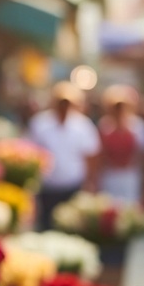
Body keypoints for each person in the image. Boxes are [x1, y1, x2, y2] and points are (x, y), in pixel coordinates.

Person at [27, 82, 101, 230]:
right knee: (46, 227)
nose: (64, 106)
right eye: (61, 102)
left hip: (73, 186)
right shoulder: (40, 123)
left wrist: (91, 184)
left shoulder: (83, 125)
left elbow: (91, 156)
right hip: (47, 188)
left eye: (67, 102)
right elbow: (31, 153)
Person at [94, 85, 144, 203]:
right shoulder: (104, 126)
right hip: (109, 176)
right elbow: (99, 154)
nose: (119, 109)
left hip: (130, 176)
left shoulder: (137, 126)